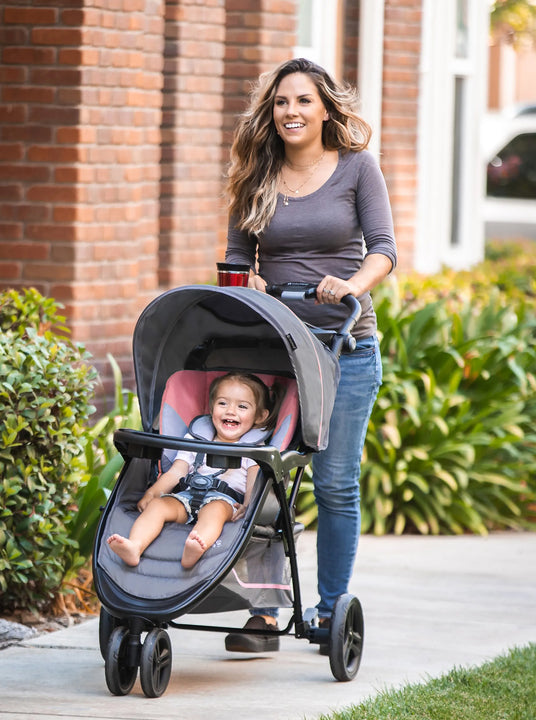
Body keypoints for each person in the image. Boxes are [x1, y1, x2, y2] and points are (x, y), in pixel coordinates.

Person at [222, 58, 397, 653]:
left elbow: (384, 250)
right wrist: (251, 287)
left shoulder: (357, 169)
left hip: (345, 349)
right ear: (269, 114)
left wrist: (351, 284)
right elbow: (234, 263)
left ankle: (328, 612)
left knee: (334, 484)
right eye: (280, 103)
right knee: (260, 477)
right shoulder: (256, 175)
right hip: (274, 350)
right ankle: (265, 613)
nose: (290, 112)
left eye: (302, 101)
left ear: (325, 109)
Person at [107, 372, 272, 569]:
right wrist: (152, 493)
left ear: (260, 416)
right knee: (158, 506)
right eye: (222, 403)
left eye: (242, 406)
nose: (231, 411)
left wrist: (248, 505)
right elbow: (177, 472)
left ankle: (195, 547)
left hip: (224, 501)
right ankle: (135, 546)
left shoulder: (253, 447)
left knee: (214, 512)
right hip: (186, 495)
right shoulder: (196, 438)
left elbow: (254, 481)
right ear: (211, 408)